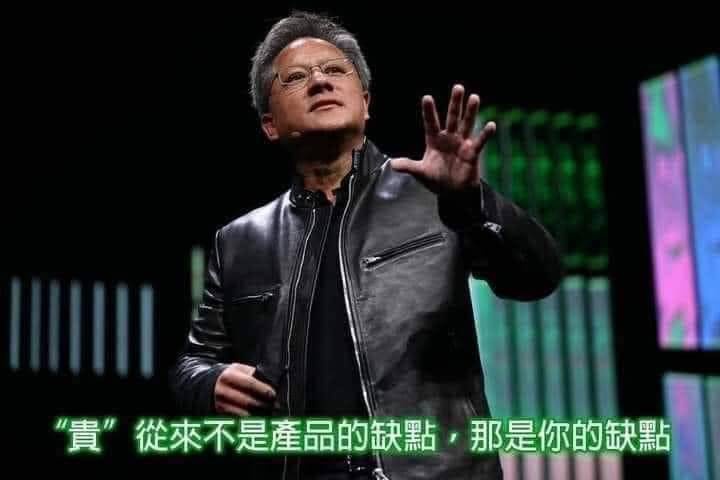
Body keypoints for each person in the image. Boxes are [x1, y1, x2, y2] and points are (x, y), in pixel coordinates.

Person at [170, 10, 562, 480]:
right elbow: (191, 363)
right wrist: (208, 383)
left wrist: (472, 204)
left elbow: (537, 277)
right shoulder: (239, 240)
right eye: (296, 77)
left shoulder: (435, 195)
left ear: (366, 102)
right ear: (269, 124)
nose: (320, 82)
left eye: (335, 70)